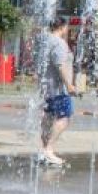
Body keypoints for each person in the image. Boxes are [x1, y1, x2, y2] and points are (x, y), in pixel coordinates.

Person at [39, 16, 76, 167]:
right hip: (59, 88)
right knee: (64, 118)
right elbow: (61, 66)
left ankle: (43, 150)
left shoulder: (44, 41)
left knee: (48, 118)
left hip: (46, 87)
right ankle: (49, 150)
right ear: (62, 27)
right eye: (66, 27)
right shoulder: (59, 43)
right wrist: (69, 85)